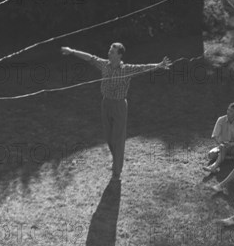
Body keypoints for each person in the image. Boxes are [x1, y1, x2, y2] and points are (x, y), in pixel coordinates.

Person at [61, 43, 171, 180]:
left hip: (119, 106)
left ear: (119, 55)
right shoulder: (104, 65)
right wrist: (71, 51)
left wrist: (159, 65)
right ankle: (116, 161)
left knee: (118, 139)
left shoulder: (126, 70)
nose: (109, 53)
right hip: (105, 104)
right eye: (109, 51)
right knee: (109, 137)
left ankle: (116, 171)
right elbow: (89, 58)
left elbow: (143, 68)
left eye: (112, 52)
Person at [203, 102, 234, 174]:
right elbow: (214, 135)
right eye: (228, 110)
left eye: (231, 111)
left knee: (223, 149)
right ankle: (232, 158)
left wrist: (230, 144)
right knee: (211, 155)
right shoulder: (221, 119)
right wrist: (220, 144)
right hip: (222, 145)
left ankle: (213, 167)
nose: (228, 112)